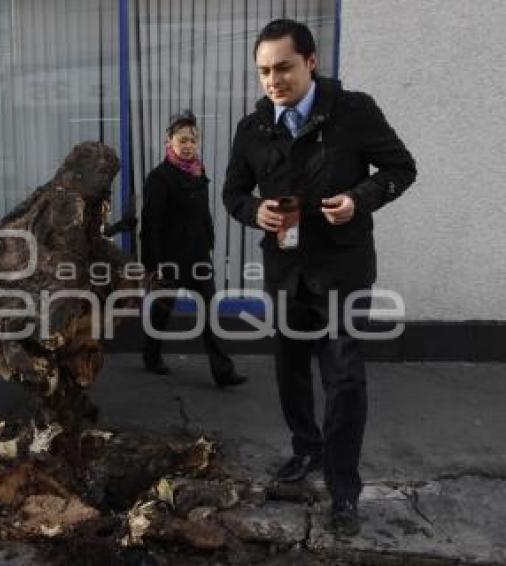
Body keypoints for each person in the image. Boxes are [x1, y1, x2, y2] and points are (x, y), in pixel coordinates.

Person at [222, 19, 416, 535]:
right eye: (263, 71)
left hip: (343, 271)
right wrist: (252, 211)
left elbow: (401, 168)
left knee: (345, 379)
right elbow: (232, 192)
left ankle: (343, 487)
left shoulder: (354, 111)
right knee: (290, 373)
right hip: (285, 273)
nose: (272, 80)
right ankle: (305, 449)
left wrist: (359, 199)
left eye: (282, 67)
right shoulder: (254, 127)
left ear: (310, 62)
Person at [140, 110, 247, 389]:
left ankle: (223, 371)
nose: (188, 145)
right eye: (183, 140)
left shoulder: (198, 171)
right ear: (170, 141)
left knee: (210, 311)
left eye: (193, 140)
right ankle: (151, 356)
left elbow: (201, 214)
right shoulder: (159, 178)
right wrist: (154, 264)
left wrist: (209, 242)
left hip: (198, 258)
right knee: (163, 310)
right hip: (170, 260)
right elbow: (151, 224)